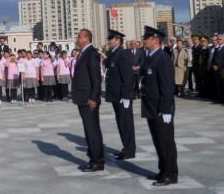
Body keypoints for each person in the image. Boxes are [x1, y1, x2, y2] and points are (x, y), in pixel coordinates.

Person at [140, 26, 178, 186]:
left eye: (146, 38)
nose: (144, 40)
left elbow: (167, 86)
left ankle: (170, 174)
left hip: (160, 108)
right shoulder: (150, 57)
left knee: (166, 142)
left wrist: (166, 109)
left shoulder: (162, 58)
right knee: (158, 141)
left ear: (155, 40)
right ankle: (162, 170)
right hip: (151, 106)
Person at [72, 29, 105, 172]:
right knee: (88, 130)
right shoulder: (84, 53)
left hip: (88, 99)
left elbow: (96, 78)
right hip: (82, 98)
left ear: (86, 38)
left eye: (79, 37)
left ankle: (97, 162)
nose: (77, 39)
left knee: (92, 131)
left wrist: (93, 97)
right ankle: (93, 158)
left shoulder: (91, 53)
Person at [104, 29, 136, 160]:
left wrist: (126, 95)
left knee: (126, 123)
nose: (109, 40)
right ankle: (126, 148)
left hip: (122, 96)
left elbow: (127, 77)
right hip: (115, 94)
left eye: (111, 38)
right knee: (121, 122)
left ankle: (129, 150)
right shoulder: (113, 53)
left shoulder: (123, 54)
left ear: (118, 40)